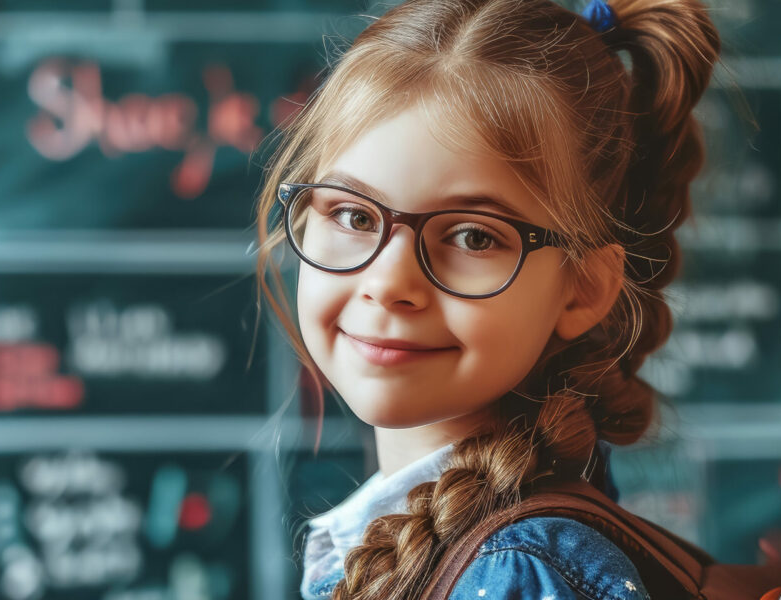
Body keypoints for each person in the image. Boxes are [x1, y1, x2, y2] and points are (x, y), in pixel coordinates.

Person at [252, 0, 721, 598]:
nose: (389, 283)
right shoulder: (445, 551)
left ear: (584, 288)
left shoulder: (517, 574)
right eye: (352, 214)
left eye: (474, 236)